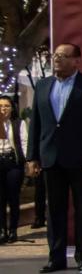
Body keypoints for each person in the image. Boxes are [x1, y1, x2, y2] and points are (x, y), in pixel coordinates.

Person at [26, 43, 82, 273]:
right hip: (51, 158)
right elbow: (36, 124)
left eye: (63, 56)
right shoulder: (43, 86)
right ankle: (56, 258)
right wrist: (32, 156)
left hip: (81, 160)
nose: (57, 60)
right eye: (55, 56)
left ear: (76, 61)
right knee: (55, 211)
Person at [0, 95, 27, 244]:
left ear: (12, 108)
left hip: (13, 163)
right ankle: (2, 230)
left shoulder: (18, 123)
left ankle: (13, 230)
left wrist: (29, 161)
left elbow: (24, 142)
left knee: (13, 197)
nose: (3, 109)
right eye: (1, 106)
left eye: (6, 106)